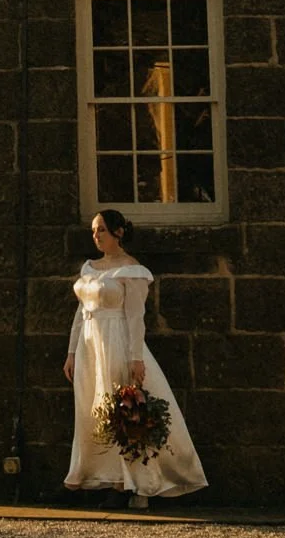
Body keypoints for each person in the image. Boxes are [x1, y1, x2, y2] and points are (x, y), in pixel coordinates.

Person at [63, 206, 207, 503]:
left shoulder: (131, 270)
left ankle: (130, 484)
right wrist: (72, 351)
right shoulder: (89, 268)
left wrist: (135, 358)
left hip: (116, 340)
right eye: (93, 231)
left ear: (118, 232)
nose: (96, 236)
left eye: (101, 229)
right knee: (94, 411)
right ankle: (97, 477)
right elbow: (80, 313)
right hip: (91, 345)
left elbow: (135, 318)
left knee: (123, 411)